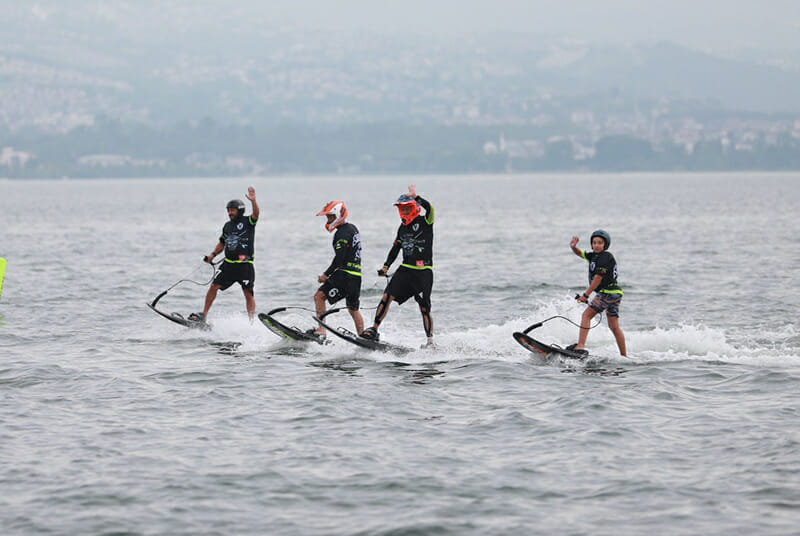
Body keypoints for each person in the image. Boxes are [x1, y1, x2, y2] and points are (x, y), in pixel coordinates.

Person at [361, 184, 435, 348]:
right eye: (402, 209)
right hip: (405, 270)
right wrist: (386, 267)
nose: (405, 212)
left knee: (424, 306)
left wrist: (417, 197)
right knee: (387, 297)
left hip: (423, 272)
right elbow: (395, 248)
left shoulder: (425, 221)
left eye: (408, 209)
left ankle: (430, 341)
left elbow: (430, 209)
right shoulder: (402, 228)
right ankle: (374, 330)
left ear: (414, 208)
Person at [191, 187, 259, 322]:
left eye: (232, 210)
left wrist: (253, 201)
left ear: (239, 211)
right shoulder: (227, 226)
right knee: (213, 286)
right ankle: (203, 315)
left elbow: (256, 215)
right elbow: (222, 243)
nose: (230, 212)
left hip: (245, 265)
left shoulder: (248, 222)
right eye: (228, 210)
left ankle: (251, 322)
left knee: (248, 293)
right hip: (228, 265)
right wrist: (212, 255)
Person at [568, 229, 626, 356]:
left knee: (586, 316)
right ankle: (624, 356)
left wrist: (585, 295)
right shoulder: (594, 256)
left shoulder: (605, 257)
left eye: (600, 243)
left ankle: (580, 346)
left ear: (605, 245)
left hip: (607, 293)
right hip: (615, 293)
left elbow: (598, 278)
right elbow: (580, 254)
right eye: (594, 243)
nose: (596, 245)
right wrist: (573, 247)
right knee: (614, 326)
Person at [311, 200, 364, 339]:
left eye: (330, 217)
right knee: (353, 309)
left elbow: (339, 259)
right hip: (356, 275)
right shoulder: (353, 228)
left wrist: (325, 275)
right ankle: (363, 337)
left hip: (345, 274)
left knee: (319, 296)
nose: (328, 220)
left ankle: (321, 330)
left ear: (338, 215)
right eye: (327, 217)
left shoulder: (341, 233)